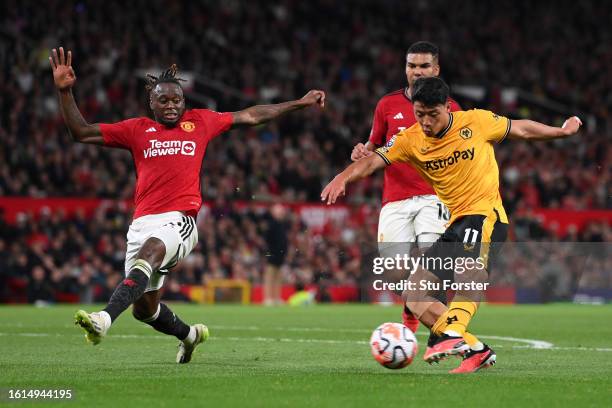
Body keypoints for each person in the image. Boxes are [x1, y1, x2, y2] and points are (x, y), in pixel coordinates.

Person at [49, 47, 325, 363]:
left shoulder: (201, 122)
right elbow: (81, 132)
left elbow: (250, 115)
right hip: (141, 223)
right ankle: (190, 336)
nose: (171, 105)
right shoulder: (136, 130)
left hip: (181, 220)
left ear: (185, 102)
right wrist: (65, 92)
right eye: (163, 100)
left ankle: (103, 320)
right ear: (150, 103)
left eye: (176, 100)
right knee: (145, 310)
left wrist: (299, 104)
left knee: (150, 253)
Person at [321, 77, 581, 373]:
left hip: (486, 214)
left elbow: (521, 128)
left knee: (469, 273)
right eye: (420, 114)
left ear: (448, 107)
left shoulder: (476, 122)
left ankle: (452, 333)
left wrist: (561, 132)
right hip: (455, 221)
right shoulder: (409, 140)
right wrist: (343, 176)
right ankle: (476, 350)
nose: (427, 121)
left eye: (433, 114)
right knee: (415, 295)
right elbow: (371, 162)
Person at [350, 41, 460, 333]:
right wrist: (362, 151)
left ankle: (449, 336)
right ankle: (412, 307)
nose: (417, 71)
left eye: (424, 66)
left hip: (433, 197)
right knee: (393, 271)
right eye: (412, 66)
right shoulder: (387, 105)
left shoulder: (452, 108)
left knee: (431, 268)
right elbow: (373, 147)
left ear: (436, 69)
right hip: (395, 199)